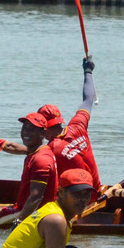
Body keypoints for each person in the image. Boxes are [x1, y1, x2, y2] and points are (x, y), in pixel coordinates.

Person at [0, 169, 123, 248]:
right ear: (60, 192)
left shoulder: (58, 213)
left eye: (86, 194)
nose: (83, 199)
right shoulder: (55, 219)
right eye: (76, 193)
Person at [0, 111, 61, 228]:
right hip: (29, 207)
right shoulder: (36, 153)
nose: (26, 133)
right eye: (24, 128)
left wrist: (18, 222)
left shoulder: (40, 159)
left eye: (32, 129)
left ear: (43, 133)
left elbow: (36, 197)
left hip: (36, 212)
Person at [46, 57, 103, 193]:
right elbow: (88, 99)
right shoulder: (78, 125)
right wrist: (88, 71)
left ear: (44, 129)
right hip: (95, 190)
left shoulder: (51, 149)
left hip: (78, 200)